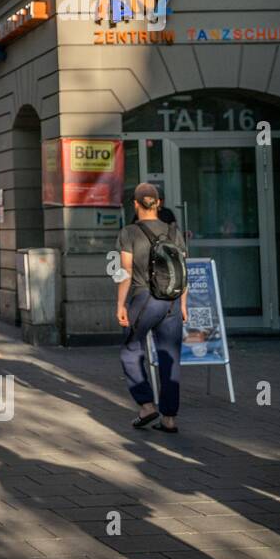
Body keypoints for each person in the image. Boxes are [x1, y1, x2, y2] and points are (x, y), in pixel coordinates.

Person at [117, 182, 188, 433]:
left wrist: (120, 305)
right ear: (158, 203)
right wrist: (183, 305)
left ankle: (146, 405)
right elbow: (182, 269)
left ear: (135, 205)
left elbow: (125, 273)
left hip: (143, 300)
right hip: (171, 302)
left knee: (130, 349)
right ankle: (169, 419)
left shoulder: (129, 232)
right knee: (170, 357)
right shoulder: (173, 231)